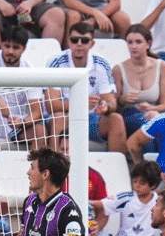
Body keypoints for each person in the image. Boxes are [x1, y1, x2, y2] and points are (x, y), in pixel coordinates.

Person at [0, 25, 47, 162]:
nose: (10, 51)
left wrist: (22, 122)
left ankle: (35, 173)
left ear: (24, 49)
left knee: (40, 131)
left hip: (15, 123)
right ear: (1, 44)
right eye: (7, 46)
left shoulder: (30, 70)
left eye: (16, 47)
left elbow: (37, 112)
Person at [46, 22, 126, 154]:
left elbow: (111, 102)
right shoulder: (56, 62)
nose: (78, 44)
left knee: (116, 119)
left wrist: (105, 106)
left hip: (92, 118)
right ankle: (56, 172)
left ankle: (116, 171)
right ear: (68, 42)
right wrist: (81, 104)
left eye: (84, 40)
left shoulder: (102, 63)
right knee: (58, 117)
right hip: (65, 118)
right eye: (74, 40)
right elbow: (51, 105)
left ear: (92, 44)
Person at [92, 160, 165, 236]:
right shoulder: (126, 198)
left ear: (153, 185)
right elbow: (101, 205)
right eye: (135, 181)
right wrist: (83, 201)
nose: (137, 186)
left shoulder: (159, 201)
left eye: (142, 183)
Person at [113, 24, 165, 137]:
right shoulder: (118, 69)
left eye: (138, 42)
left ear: (148, 44)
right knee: (147, 125)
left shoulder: (162, 66)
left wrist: (152, 109)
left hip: (154, 114)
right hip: (130, 115)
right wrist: (122, 100)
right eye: (130, 42)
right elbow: (115, 106)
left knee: (155, 123)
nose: (133, 46)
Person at [88, 167, 118, 236]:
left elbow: (104, 209)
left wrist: (97, 227)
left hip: (88, 229)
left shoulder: (93, 175)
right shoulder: (48, 172)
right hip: (61, 229)